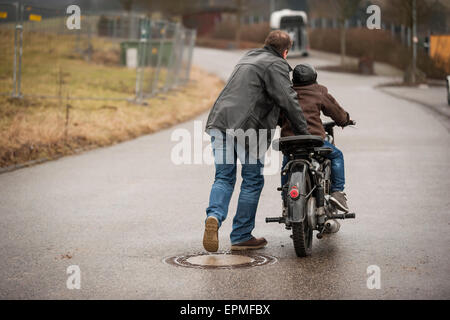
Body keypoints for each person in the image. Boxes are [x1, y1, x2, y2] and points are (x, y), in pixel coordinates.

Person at [203, 31, 310, 252]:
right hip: (247, 129)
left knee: (223, 177)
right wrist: (304, 133)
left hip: (219, 121)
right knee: (252, 180)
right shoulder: (276, 64)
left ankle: (213, 216)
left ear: (266, 44)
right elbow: (288, 99)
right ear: (286, 51)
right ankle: (241, 236)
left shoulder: (248, 57)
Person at [279, 64, 353, 212]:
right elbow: (336, 112)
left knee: (286, 165)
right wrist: (345, 120)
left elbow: (277, 117)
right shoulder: (319, 91)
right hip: (313, 140)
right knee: (337, 156)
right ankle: (337, 193)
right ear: (314, 78)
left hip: (289, 142)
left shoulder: (286, 93)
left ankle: (285, 199)